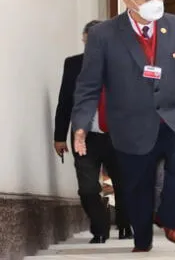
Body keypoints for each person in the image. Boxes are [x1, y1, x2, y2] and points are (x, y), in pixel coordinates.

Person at [71, 0, 175, 252]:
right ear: (128, 1)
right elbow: (88, 86)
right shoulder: (103, 35)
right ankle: (142, 242)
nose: (156, 3)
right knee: (138, 188)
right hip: (131, 125)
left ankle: (166, 217)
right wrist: (81, 124)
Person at [53, 20, 132, 243]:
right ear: (84, 38)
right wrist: (59, 136)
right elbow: (65, 101)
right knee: (87, 188)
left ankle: (126, 224)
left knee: (124, 184)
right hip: (84, 137)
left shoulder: (124, 63)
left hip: (119, 136)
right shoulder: (73, 64)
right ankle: (100, 227)